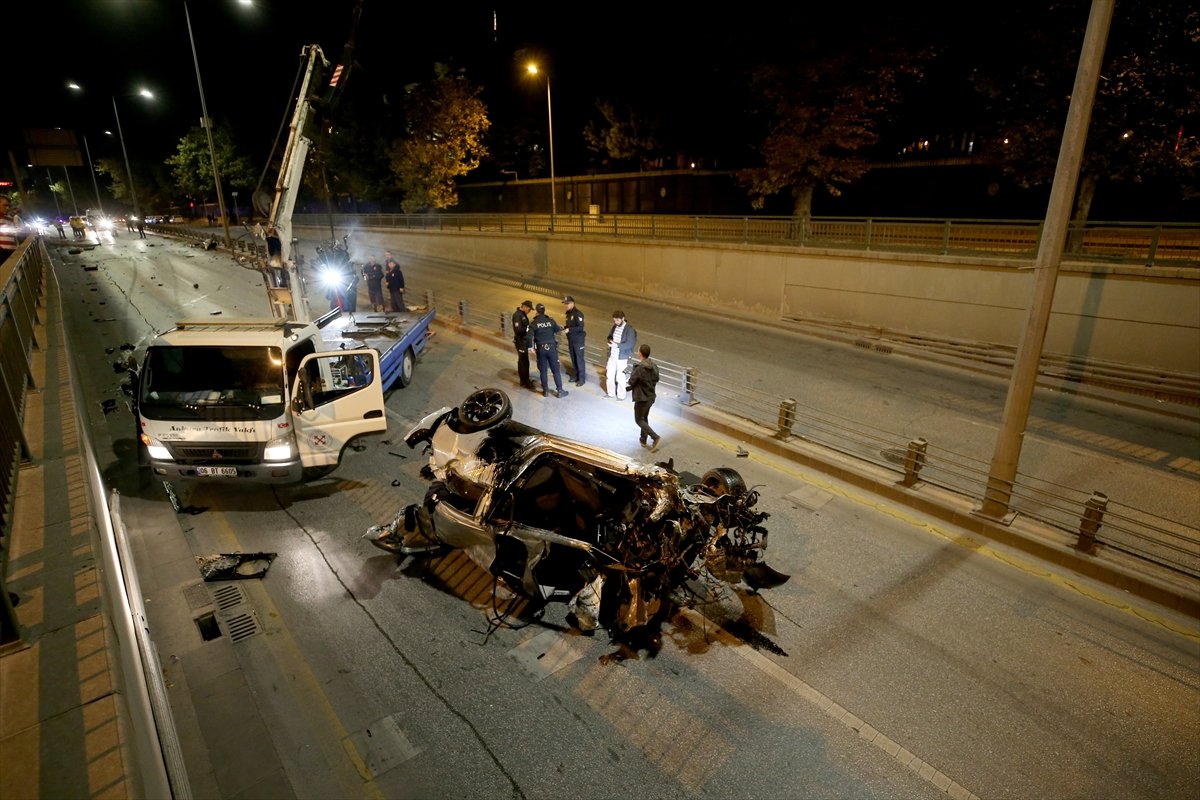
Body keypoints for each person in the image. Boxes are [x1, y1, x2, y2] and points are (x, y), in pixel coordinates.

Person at [527, 302, 568, 398]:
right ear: (544, 311)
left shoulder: (534, 323)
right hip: (552, 348)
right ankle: (560, 391)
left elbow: (529, 337)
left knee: (543, 371)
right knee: (555, 370)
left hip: (541, 349)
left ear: (536, 312)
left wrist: (530, 347)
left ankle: (545, 391)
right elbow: (557, 329)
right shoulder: (551, 321)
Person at [627, 343, 661, 452]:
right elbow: (656, 379)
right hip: (651, 397)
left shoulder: (639, 368)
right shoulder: (654, 366)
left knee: (638, 420)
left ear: (640, 353)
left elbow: (631, 381)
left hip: (641, 398)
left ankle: (655, 437)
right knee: (644, 418)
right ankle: (643, 439)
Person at [604, 310, 637, 401]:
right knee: (609, 375)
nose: (616, 322)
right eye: (614, 320)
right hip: (612, 355)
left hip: (622, 357)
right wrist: (609, 341)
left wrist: (617, 345)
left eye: (617, 320)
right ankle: (610, 393)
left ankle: (621, 396)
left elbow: (630, 344)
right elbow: (610, 336)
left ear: (623, 318)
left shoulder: (630, 330)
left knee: (620, 377)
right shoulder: (615, 326)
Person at [562, 295, 587, 386]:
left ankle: (581, 379)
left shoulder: (577, 313)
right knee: (573, 359)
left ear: (573, 303)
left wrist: (570, 330)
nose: (566, 305)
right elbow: (570, 326)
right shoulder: (568, 314)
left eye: (567, 303)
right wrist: (564, 328)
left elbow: (580, 327)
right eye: (565, 304)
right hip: (571, 340)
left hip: (578, 340)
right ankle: (575, 375)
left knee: (579, 359)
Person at [512, 300, 535, 390]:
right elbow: (518, 330)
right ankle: (526, 382)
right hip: (520, 342)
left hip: (523, 341)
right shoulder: (517, 315)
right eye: (529, 309)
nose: (529, 311)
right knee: (524, 362)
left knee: (522, 360)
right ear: (524, 307)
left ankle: (523, 380)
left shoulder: (522, 314)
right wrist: (528, 328)